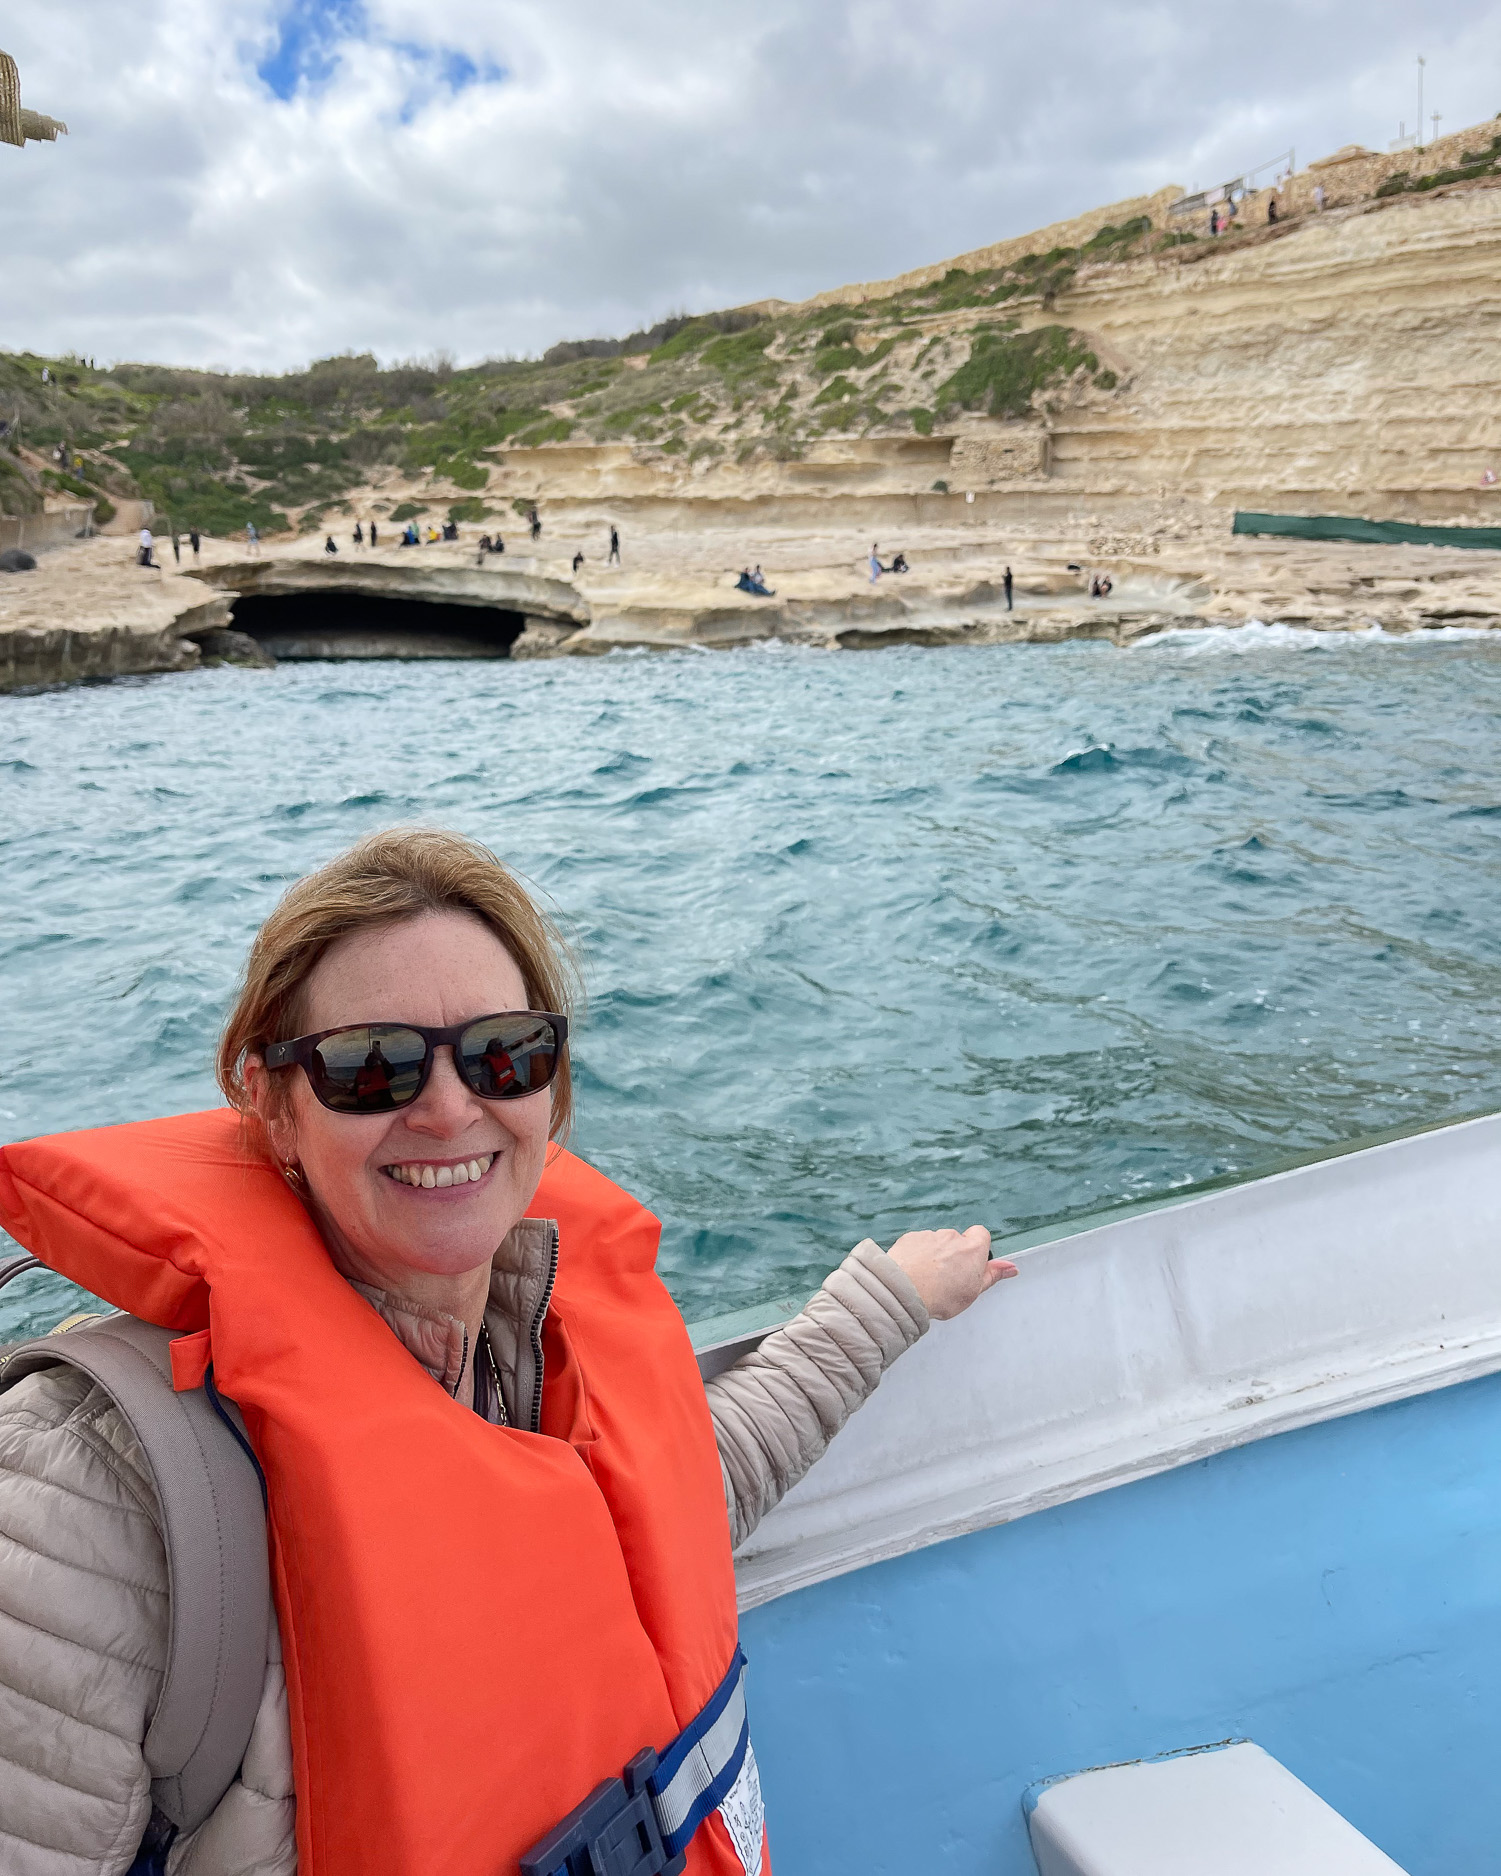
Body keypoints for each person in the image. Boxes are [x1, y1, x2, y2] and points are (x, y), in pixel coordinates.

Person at [0, 829, 1015, 1874]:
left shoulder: (509, 1353)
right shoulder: (84, 1487)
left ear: (551, 1086)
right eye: (372, 1066)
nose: (449, 1109)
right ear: (271, 1101)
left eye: (504, 1052)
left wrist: (889, 1301)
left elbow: (667, 1499)